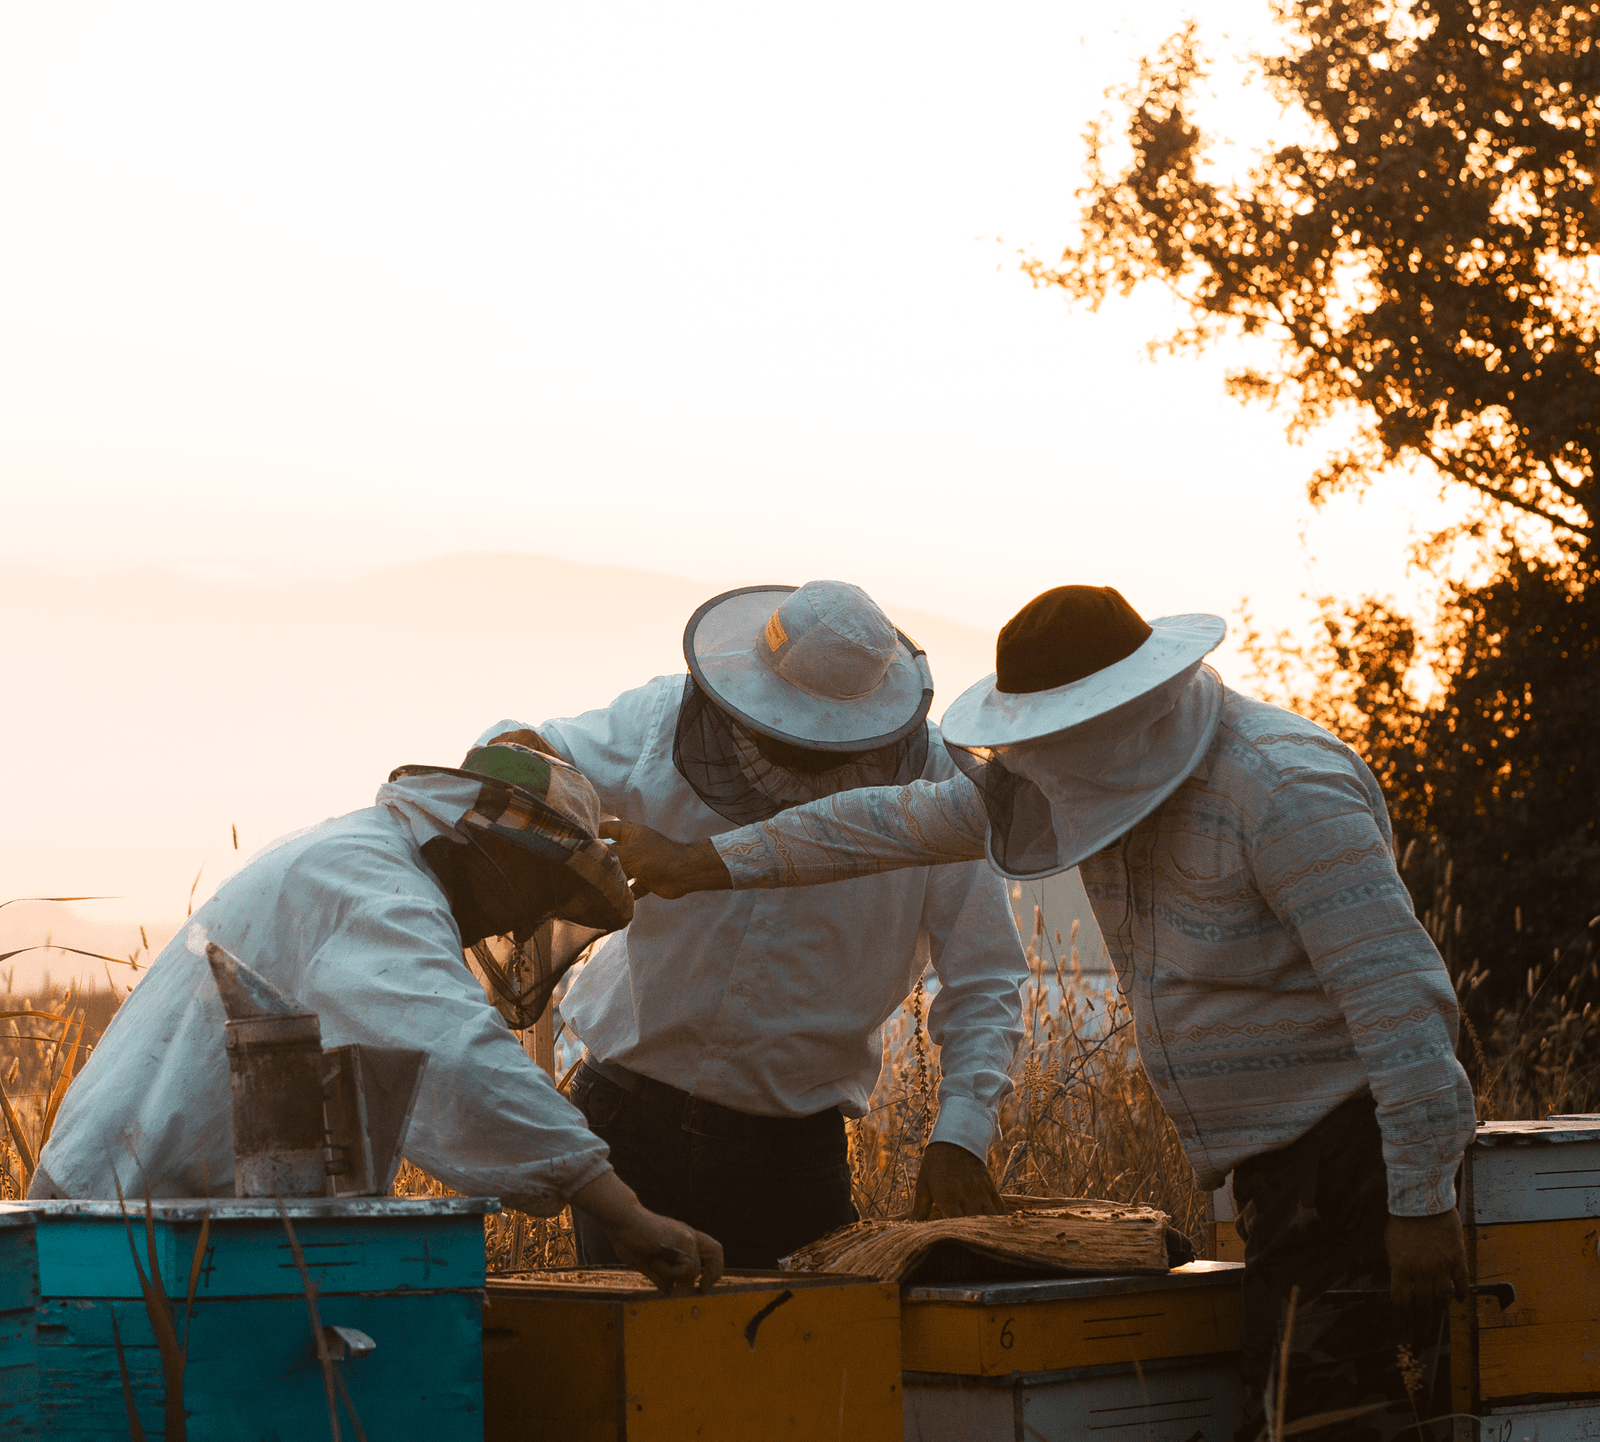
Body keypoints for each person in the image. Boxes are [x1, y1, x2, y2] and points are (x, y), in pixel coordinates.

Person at [608, 584, 1477, 1435]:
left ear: (1120, 713)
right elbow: (882, 823)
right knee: (1305, 1411)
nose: (1035, 760)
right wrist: (709, 862)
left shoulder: (1284, 790)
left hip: (1351, 1159)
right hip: (1283, 1173)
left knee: (1323, 1419)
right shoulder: (1082, 775)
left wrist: (1421, 1199)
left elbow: (1399, 1001)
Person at [34, 735, 723, 1293]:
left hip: (146, 1208)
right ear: (493, 851)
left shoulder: (356, 854)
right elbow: (454, 1052)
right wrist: (623, 1213)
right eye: (540, 892)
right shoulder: (375, 890)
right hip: (128, 1221)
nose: (525, 918)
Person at [485, 580, 1028, 1269]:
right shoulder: (662, 719)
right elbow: (532, 751)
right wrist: (525, 770)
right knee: (633, 1364)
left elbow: (985, 977)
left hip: (789, 1157)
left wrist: (961, 1135)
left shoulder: (941, 791)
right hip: (626, 1117)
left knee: (793, 1368)